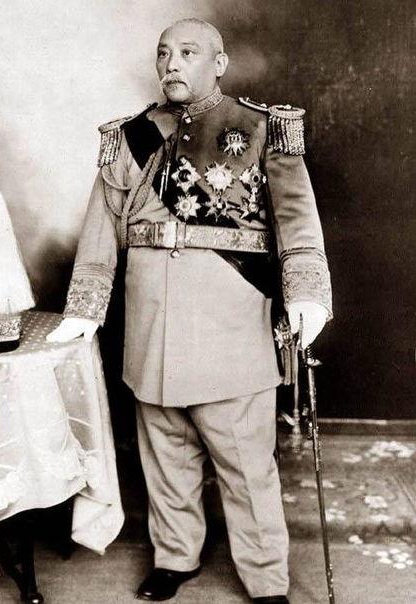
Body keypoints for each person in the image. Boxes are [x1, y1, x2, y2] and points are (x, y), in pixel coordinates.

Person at [47, 18, 332, 604]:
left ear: (219, 63)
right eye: (163, 53)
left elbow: (298, 221)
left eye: (187, 52)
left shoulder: (261, 129)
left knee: (246, 467)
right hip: (151, 327)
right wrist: (85, 307)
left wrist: (306, 293)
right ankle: (175, 558)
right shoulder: (132, 136)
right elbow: (102, 227)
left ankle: (266, 579)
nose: (171, 63)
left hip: (230, 326)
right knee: (166, 455)